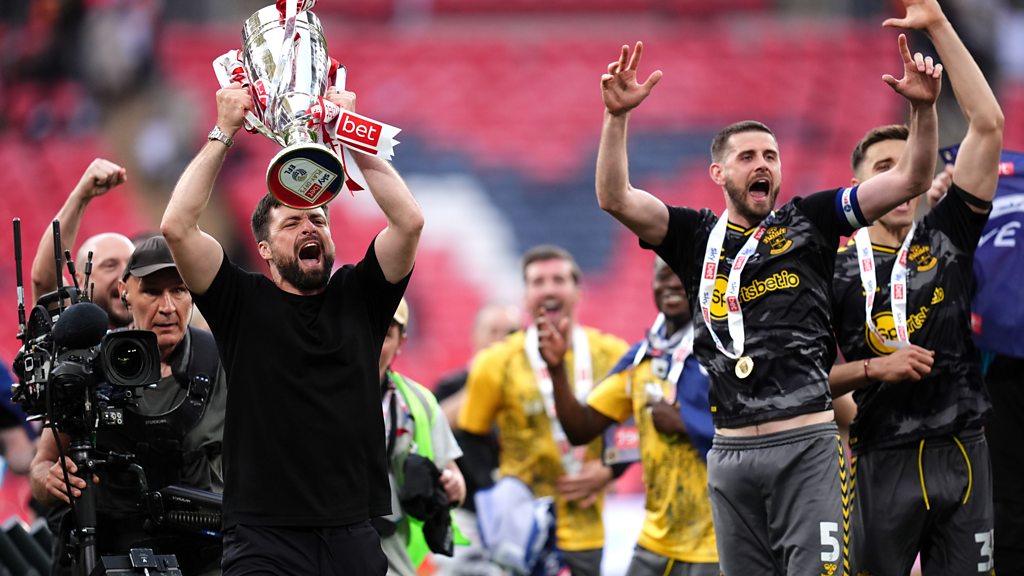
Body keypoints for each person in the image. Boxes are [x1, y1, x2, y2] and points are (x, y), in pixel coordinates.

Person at [594, 36, 940, 573]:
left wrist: (922, 109)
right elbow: (615, 197)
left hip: (805, 444)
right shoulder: (693, 236)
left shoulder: (812, 221)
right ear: (719, 174)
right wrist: (616, 118)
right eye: (748, 156)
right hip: (730, 456)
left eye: (771, 156)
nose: (764, 165)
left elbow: (911, 178)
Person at [160, 81, 422, 575]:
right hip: (264, 536)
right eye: (292, 222)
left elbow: (407, 222)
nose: (309, 228)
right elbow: (177, 226)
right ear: (263, 249)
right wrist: (224, 131)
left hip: (353, 531)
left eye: (319, 219)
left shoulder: (359, 296)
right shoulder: (240, 300)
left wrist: (354, 137)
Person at [829, 2, 1004, 571]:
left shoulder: (947, 233)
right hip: (883, 457)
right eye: (883, 169)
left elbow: (988, 124)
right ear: (855, 187)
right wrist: (871, 370)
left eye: (909, 165)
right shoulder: (828, 267)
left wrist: (937, 24)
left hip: (964, 449)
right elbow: (803, 381)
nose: (900, 179)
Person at [29, 235, 228, 575]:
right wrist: (50, 481)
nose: (167, 306)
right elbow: (41, 466)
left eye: (179, 290)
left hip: (206, 558)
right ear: (125, 292)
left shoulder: (221, 360)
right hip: (113, 558)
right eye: (151, 291)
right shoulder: (90, 365)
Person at [536, 257, 718, 576]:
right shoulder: (640, 359)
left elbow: (755, 435)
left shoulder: (724, 355)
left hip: (714, 543)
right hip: (655, 541)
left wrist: (685, 424)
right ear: (652, 285)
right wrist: (556, 369)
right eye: (662, 275)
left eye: (681, 274)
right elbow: (581, 428)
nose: (671, 283)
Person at [458, 245, 629, 576]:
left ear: (578, 291)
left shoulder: (612, 353)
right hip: (521, 529)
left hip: (585, 527)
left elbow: (638, 427)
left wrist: (612, 470)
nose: (549, 289)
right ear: (526, 295)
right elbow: (470, 436)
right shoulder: (495, 362)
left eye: (558, 279)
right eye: (538, 282)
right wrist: (502, 490)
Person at [377, 298, 466, 576]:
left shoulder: (418, 402)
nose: (373, 340)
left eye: (386, 334)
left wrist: (452, 485)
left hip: (391, 549)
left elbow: (455, 480)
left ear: (400, 343)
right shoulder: (317, 390)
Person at [433, 303, 519, 576]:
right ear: (476, 336)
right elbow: (434, 427)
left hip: (514, 511)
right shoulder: (453, 384)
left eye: (510, 332)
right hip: (464, 511)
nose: (501, 339)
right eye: (493, 331)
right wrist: (483, 381)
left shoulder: (528, 389)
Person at [30, 158, 134, 328]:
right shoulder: (69, 330)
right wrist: (80, 196)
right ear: (79, 280)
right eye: (110, 265)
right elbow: (46, 280)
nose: (124, 275)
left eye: (131, 265)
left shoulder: (157, 330)